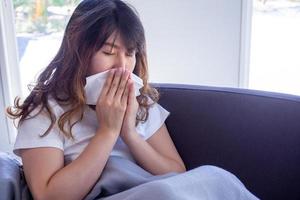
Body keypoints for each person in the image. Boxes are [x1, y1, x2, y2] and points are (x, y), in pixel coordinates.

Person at [7, 0, 259, 199]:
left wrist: (129, 133)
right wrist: (108, 131)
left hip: (157, 190)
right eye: (108, 52)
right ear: (78, 52)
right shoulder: (46, 112)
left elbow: (178, 175)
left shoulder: (142, 105)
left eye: (130, 54)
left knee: (216, 177)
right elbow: (49, 196)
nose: (122, 66)